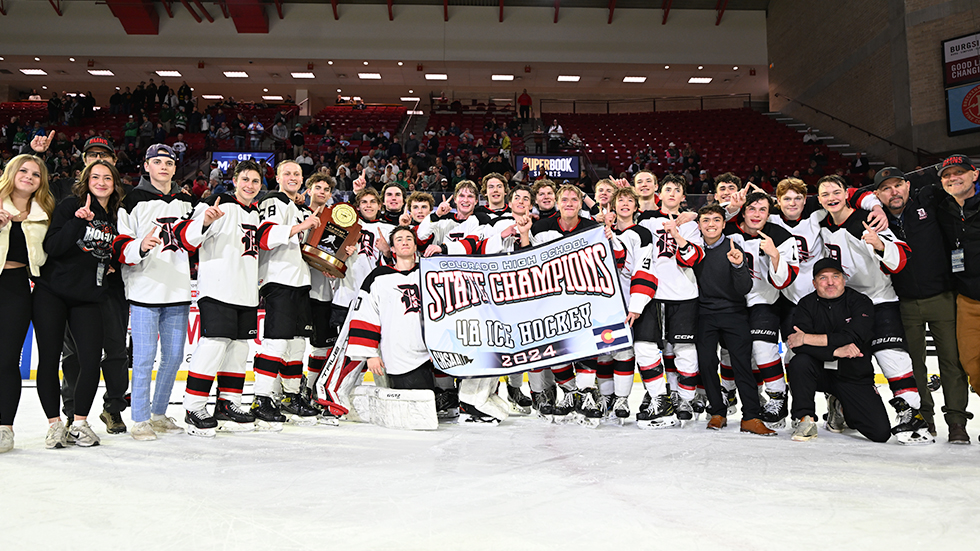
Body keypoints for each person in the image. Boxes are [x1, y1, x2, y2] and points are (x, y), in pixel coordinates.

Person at [181, 160, 318, 437]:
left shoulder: (255, 212)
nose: (250, 186)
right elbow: (186, 238)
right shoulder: (217, 204)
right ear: (234, 180)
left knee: (239, 350)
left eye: (255, 182)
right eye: (245, 180)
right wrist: (205, 221)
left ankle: (227, 403)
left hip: (246, 292)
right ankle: (193, 406)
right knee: (212, 348)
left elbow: (266, 240)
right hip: (217, 289)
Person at [816, 175, 932, 444]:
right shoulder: (821, 221)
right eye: (825, 194)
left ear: (847, 194)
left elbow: (902, 255)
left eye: (837, 192)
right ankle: (840, 406)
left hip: (880, 301)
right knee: (843, 361)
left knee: (891, 356)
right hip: (846, 305)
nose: (831, 197)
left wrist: (880, 244)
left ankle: (911, 413)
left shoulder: (866, 221)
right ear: (819, 199)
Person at [870, 167, 971, 443]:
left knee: (952, 362)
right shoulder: (874, 220)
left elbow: (949, 185)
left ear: (907, 186)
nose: (894, 192)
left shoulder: (928, 201)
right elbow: (851, 195)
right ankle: (924, 417)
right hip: (904, 303)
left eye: (898, 185)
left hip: (942, 297)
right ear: (877, 194)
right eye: (886, 188)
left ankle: (957, 422)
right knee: (915, 364)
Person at [33, 160, 123, 448]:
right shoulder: (71, 204)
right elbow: (53, 247)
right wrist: (77, 221)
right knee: (49, 360)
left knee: (90, 360)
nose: (101, 182)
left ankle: (80, 423)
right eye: (95, 177)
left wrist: (108, 263)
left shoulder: (114, 214)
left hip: (87, 297)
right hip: (52, 293)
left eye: (107, 177)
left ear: (114, 183)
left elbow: (107, 248)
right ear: (86, 180)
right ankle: (54, 425)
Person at [113, 144, 199, 441]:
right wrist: (140, 246)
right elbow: (121, 243)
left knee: (174, 357)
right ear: (146, 166)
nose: (164, 167)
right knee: (144, 358)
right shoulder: (130, 200)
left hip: (177, 289)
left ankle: (159, 413)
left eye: (169, 163)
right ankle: (139, 418)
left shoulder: (187, 202)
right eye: (157, 162)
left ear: (175, 168)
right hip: (144, 290)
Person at [517, 185, 604, 424]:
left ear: (579, 203)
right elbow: (526, 262)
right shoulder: (541, 227)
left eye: (573, 199)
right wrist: (525, 235)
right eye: (564, 199)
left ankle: (586, 394)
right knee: (557, 347)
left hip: (584, 298)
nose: (568, 203)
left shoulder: (593, 229)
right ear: (557, 202)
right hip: (551, 301)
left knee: (586, 347)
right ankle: (569, 392)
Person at [785, 258, 893, 443]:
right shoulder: (806, 304)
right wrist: (835, 352)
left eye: (835, 276)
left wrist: (808, 338)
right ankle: (805, 419)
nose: (830, 282)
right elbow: (797, 343)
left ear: (844, 279)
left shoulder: (860, 302)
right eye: (823, 278)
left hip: (852, 374)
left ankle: (840, 406)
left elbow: (855, 337)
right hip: (819, 372)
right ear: (814, 283)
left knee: (880, 432)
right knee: (799, 362)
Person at [690, 203, 774, 436]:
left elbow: (745, 287)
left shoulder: (733, 247)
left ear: (724, 224)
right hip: (704, 314)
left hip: (734, 313)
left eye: (716, 220)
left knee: (741, 365)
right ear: (699, 225)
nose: (711, 225)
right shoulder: (692, 250)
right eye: (706, 220)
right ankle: (717, 411)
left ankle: (751, 417)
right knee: (706, 364)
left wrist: (738, 265)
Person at [251, 161, 322, 429]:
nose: (292, 177)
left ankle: (291, 395)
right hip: (278, 280)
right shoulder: (273, 200)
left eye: (296, 174)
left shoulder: (300, 208)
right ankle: (262, 397)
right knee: (276, 343)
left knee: (297, 345)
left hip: (301, 282)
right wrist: (301, 225)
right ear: (278, 177)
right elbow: (265, 237)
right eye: (287, 173)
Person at [723, 191, 800, 429]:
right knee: (729, 350)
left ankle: (777, 396)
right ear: (743, 211)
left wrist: (775, 255)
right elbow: (705, 223)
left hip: (765, 299)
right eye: (752, 209)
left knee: (762, 347)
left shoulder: (781, 236)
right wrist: (728, 209)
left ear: (769, 214)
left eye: (762, 210)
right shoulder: (729, 231)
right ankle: (732, 393)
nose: (756, 215)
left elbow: (785, 280)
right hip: (733, 301)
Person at [635, 176, 705, 423]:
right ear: (659, 194)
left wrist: (678, 232)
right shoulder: (646, 219)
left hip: (684, 294)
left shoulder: (692, 226)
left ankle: (684, 398)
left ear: (683, 197)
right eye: (668, 189)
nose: (672, 193)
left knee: (684, 349)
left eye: (678, 190)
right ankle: (659, 398)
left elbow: (692, 259)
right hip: (650, 295)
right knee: (644, 347)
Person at [0, 155, 54, 453]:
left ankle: (4, 428)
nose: (29, 177)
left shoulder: (44, 211)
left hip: (16, 288)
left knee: (7, 360)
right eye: (23, 170)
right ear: (11, 172)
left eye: (36, 174)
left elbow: (53, 251)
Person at [346, 225, 433, 391]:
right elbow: (366, 314)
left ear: (415, 246)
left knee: (426, 405)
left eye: (409, 239)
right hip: (395, 352)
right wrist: (371, 354)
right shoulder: (378, 276)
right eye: (399, 240)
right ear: (392, 248)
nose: (405, 242)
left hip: (427, 353)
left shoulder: (429, 273)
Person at [934, 154, 980, 425]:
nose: (953, 178)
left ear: (975, 174)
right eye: (947, 175)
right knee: (972, 362)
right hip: (968, 298)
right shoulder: (944, 209)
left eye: (959, 172)